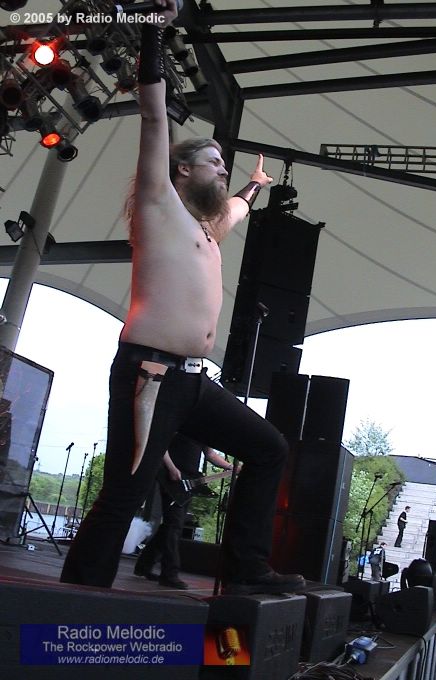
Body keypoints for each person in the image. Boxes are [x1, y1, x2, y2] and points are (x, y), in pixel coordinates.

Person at [60, 0, 305, 596]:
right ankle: (74, 603)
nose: (222, 170)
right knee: (124, 492)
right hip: (150, 374)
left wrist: (254, 185)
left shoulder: (205, 230)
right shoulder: (159, 206)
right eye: (214, 162)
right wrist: (152, 33)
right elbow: (153, 117)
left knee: (268, 449)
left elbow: (234, 211)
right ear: (182, 171)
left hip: (194, 382)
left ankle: (245, 568)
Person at [134, 434, 234, 589]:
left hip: (188, 481)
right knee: (174, 525)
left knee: (171, 525)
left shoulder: (203, 430)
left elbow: (210, 454)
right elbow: (162, 445)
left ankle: (144, 565)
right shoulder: (181, 424)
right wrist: (171, 468)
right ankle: (169, 574)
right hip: (171, 477)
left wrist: (231, 467)